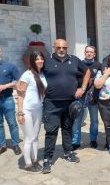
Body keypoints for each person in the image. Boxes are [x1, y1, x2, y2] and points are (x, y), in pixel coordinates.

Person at [41, 39, 91, 174]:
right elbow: (35, 73)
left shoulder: (74, 60)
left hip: (70, 102)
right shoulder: (47, 60)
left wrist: (83, 88)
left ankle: (68, 152)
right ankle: (47, 158)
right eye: (58, 48)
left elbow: (87, 72)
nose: (61, 50)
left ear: (67, 48)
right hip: (52, 103)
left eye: (64, 47)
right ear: (54, 48)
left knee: (67, 128)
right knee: (51, 131)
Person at [16, 51, 47, 172]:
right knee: (29, 137)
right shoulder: (27, 75)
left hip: (38, 109)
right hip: (26, 110)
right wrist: (20, 112)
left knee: (35, 137)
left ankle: (35, 160)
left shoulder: (43, 74)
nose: (40, 61)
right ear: (32, 61)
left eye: (41, 58)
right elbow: (20, 94)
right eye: (37, 59)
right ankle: (28, 163)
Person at [72, 46, 102, 150]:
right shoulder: (79, 64)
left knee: (94, 120)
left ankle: (93, 140)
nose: (89, 54)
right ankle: (75, 142)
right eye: (87, 52)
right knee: (77, 120)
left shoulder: (98, 65)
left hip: (93, 96)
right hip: (80, 96)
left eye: (91, 52)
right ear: (85, 53)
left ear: (94, 54)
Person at [0, 47, 21, 156]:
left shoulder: (10, 66)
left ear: (1, 52)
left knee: (12, 123)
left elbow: (17, 80)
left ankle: (15, 144)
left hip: (7, 98)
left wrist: (5, 86)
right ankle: (2, 145)